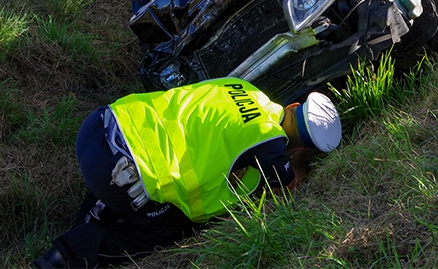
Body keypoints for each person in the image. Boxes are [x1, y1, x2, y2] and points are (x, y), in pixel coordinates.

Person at [33, 78, 341, 268]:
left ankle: (84, 221)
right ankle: (68, 255)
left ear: (295, 104)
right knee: (169, 232)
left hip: (101, 123)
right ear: (303, 147)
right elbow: (290, 185)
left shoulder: (242, 87)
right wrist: (298, 162)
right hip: (123, 166)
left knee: (125, 178)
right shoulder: (270, 146)